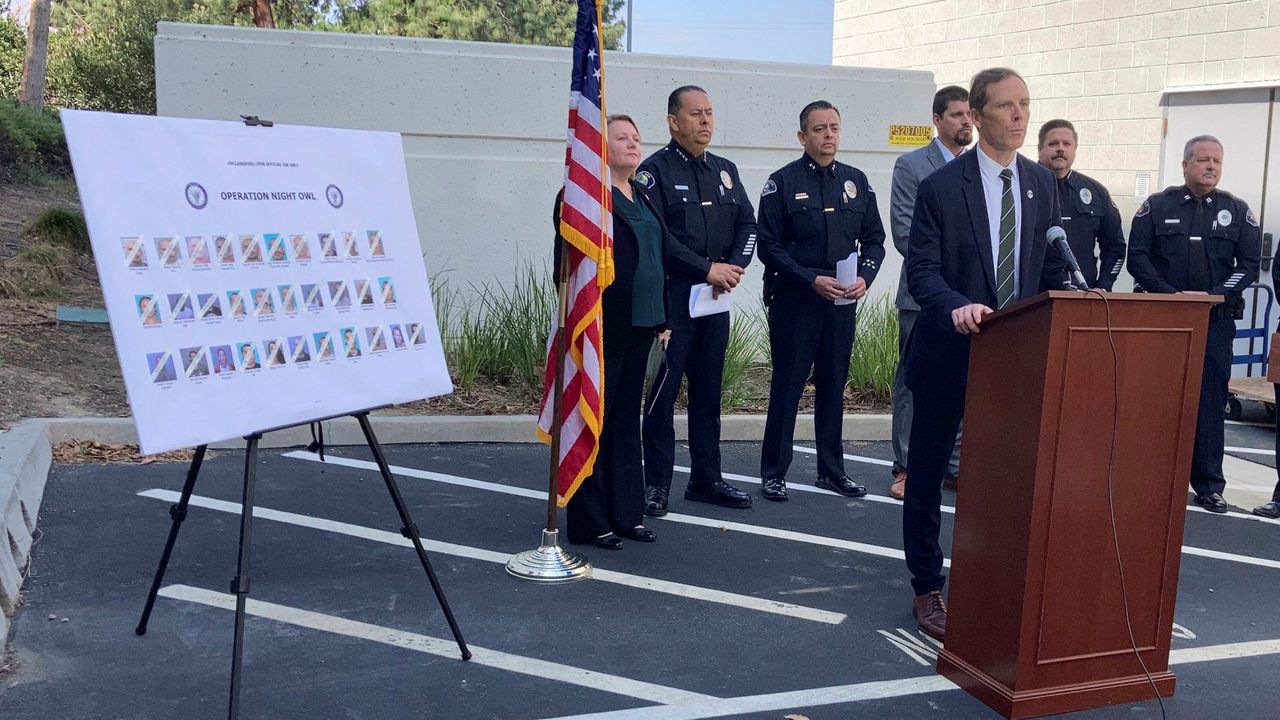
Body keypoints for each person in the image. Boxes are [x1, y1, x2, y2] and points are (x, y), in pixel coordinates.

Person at [901, 68, 1068, 639]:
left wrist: (1071, 296)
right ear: (976, 115)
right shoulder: (941, 188)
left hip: (1014, 359)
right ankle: (927, 587)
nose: (1020, 115)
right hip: (950, 351)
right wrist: (956, 305)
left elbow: (1045, 269)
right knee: (926, 477)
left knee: (1002, 476)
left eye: (1025, 104)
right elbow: (921, 271)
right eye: (1006, 106)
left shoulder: (1041, 184)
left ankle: (990, 575)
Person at [756, 101, 886, 501]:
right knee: (789, 387)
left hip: (842, 303)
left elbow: (876, 241)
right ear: (802, 137)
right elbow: (769, 246)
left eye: (834, 128)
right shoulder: (782, 182)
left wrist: (865, 276)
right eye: (819, 129)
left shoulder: (856, 181)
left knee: (833, 386)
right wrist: (810, 279)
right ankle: (774, 472)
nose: (828, 135)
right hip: (797, 301)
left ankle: (832, 470)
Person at [638, 85, 757, 516]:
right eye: (695, 114)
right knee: (662, 396)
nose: (705, 121)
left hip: (715, 300)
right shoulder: (653, 173)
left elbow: (748, 223)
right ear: (673, 121)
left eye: (709, 113)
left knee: (708, 393)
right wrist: (708, 269)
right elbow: (659, 239)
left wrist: (733, 267)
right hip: (672, 302)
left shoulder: (724, 170)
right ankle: (656, 486)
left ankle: (706, 479)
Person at [1127, 135, 1261, 513]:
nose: (1211, 167)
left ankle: (1208, 485)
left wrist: (1215, 295)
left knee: (1209, 402)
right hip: (1164, 322)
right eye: (1203, 160)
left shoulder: (1236, 210)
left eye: (1217, 161)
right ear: (1185, 165)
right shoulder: (1157, 206)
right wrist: (1170, 296)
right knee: (1155, 400)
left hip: (1214, 323)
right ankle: (1149, 477)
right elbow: (1138, 257)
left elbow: (1249, 265)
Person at [554, 114, 669, 548]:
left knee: (625, 423)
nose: (633, 144)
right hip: (602, 327)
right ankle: (590, 521)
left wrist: (665, 319)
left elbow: (659, 257)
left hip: (643, 326)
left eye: (637, 137)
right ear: (599, 147)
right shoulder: (585, 199)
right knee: (593, 422)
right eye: (621, 137)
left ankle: (627, 515)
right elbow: (566, 268)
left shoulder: (641, 194)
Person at [888, 85, 972, 502]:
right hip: (922, 296)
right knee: (914, 383)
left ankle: (954, 466)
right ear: (937, 120)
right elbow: (905, 234)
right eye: (956, 115)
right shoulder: (912, 165)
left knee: (964, 381)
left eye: (968, 114)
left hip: (972, 300)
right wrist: (952, 271)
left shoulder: (982, 167)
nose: (966, 122)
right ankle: (905, 466)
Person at [1037, 119, 1126, 290]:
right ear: (1040, 148)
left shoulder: (1096, 192)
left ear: (1075, 149)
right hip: (1032, 298)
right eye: (1053, 143)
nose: (1060, 148)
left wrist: (1104, 286)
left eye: (1067, 144)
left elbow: (1115, 246)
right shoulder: (1023, 186)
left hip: (1082, 296)